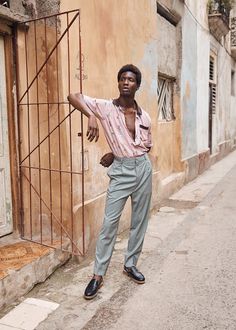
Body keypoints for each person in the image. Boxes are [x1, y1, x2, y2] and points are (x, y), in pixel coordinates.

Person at [68, 64, 152, 300]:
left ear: (137, 85)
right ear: (118, 83)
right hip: (122, 173)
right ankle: (98, 275)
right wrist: (91, 115)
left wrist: (114, 152)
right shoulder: (105, 108)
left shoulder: (144, 116)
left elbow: (142, 145)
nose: (126, 82)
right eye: (123, 79)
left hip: (143, 167)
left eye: (131, 79)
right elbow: (72, 96)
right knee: (109, 224)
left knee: (139, 220)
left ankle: (130, 264)